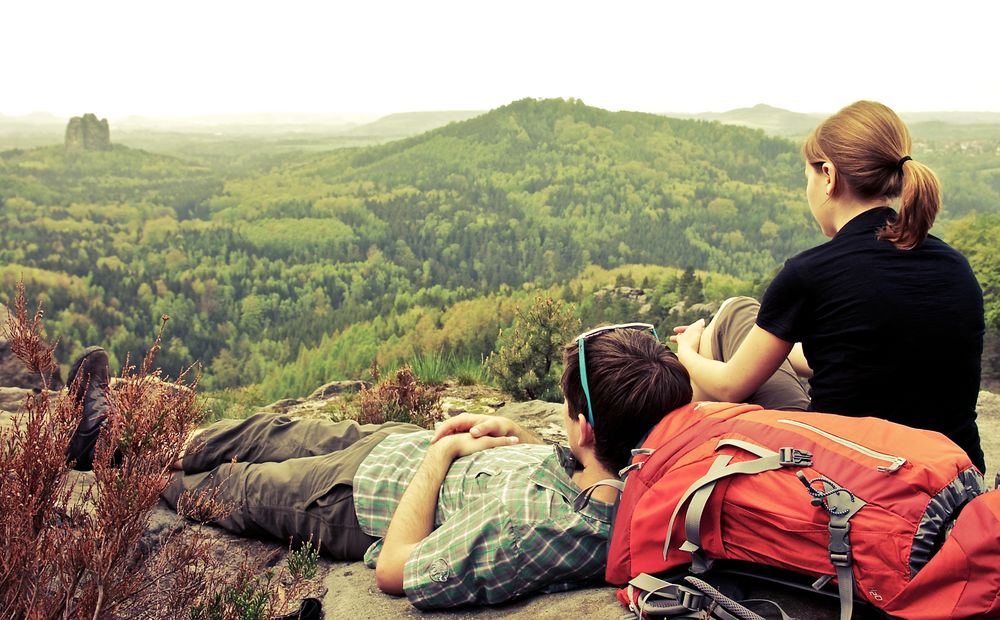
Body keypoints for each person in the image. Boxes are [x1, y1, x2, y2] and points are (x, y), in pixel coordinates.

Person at [65, 324, 692, 610]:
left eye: (564, 407)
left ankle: (113, 462)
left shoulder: (541, 535)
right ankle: (107, 432)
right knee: (260, 428)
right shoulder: (628, 474)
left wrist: (442, 454)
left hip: (353, 501)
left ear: (585, 428)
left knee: (233, 487)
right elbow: (583, 472)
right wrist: (521, 435)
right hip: (390, 444)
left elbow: (396, 572)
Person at [672, 100, 986, 473]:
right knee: (740, 311)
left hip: (846, 479)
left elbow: (728, 388)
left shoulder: (811, 273)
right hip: (950, 474)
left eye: (807, 178)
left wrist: (688, 352)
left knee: (729, 319)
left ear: (829, 176)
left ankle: (677, 470)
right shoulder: (955, 266)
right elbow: (866, 353)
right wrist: (772, 354)